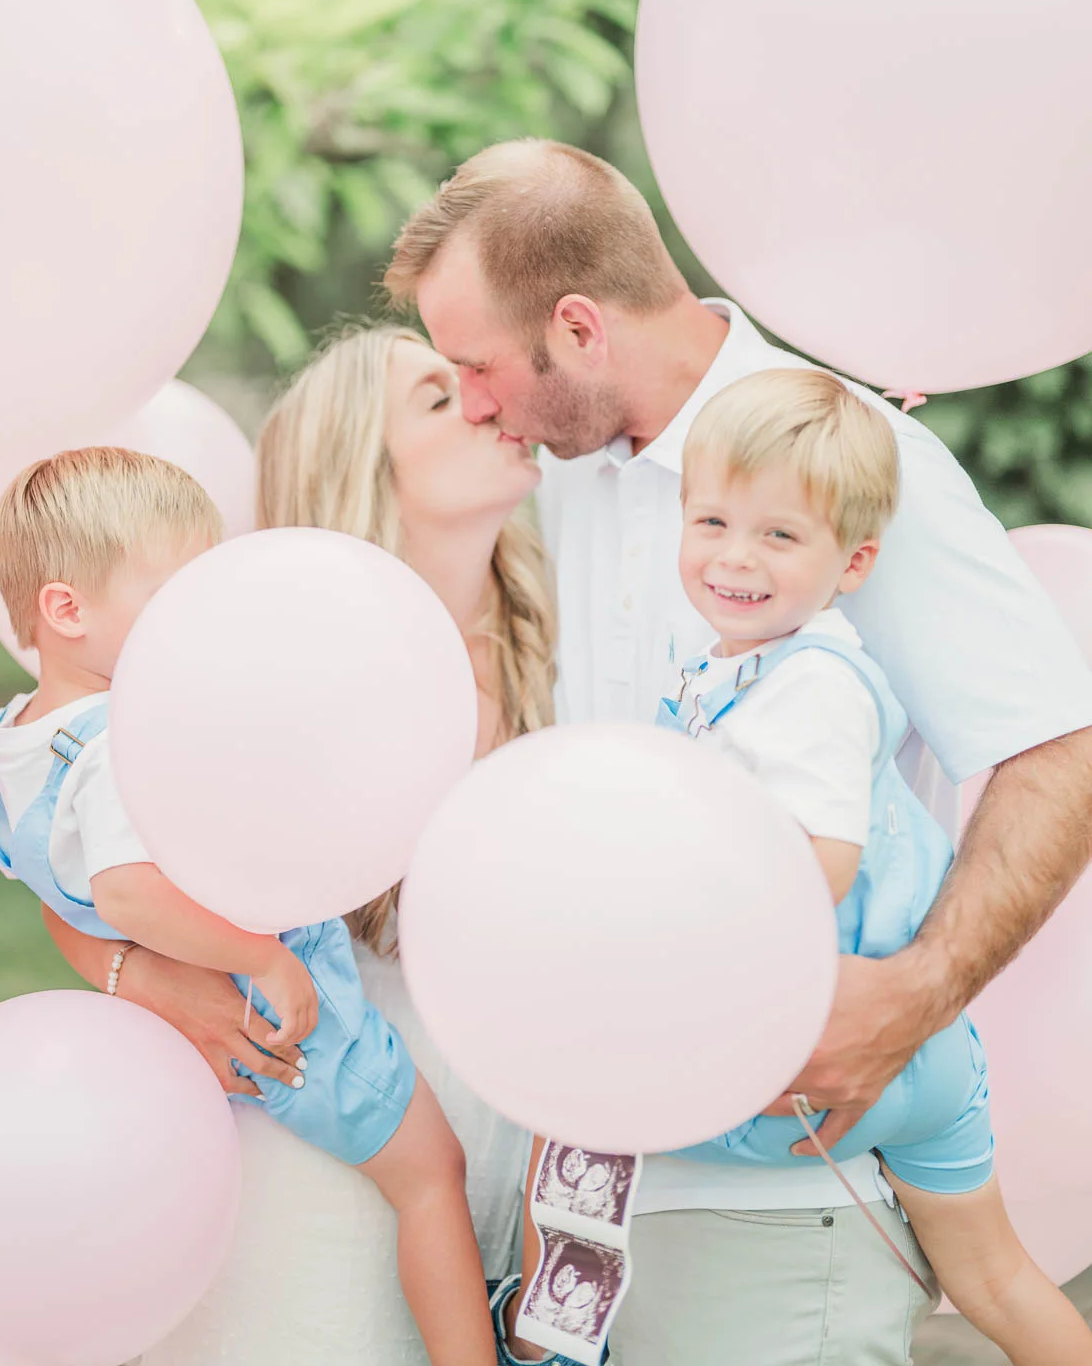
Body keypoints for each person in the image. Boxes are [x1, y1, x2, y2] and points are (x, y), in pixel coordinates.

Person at [382, 137, 1092, 1365]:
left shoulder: (848, 463)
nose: (476, 402)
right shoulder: (553, 476)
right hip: (583, 1191)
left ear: (578, 328)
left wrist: (919, 994)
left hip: (782, 1196)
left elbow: (1059, 749)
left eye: (478, 367)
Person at [45, 328, 557, 1365]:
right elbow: (66, 855)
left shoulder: (562, 642)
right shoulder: (264, 661)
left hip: (502, 1163)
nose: (485, 395)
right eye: (433, 397)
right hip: (316, 1149)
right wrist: (136, 972)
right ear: (360, 469)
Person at [0, 444, 500, 1366]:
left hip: (147, 1030)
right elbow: (130, 893)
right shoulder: (119, 744)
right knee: (433, 1176)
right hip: (274, 1003)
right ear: (67, 610)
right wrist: (267, 958)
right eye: (175, 597)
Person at [655, 369, 1088, 1363]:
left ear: (853, 562)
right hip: (927, 1052)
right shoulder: (734, 666)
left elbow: (824, 869)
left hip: (850, 1043)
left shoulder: (809, 684)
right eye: (713, 519)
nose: (735, 557)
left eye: (779, 535)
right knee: (995, 1278)